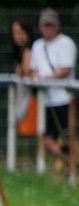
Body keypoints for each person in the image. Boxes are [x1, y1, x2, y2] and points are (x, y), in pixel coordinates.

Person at [29, 8, 77, 166]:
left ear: (57, 26)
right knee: (47, 139)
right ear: (40, 26)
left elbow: (66, 69)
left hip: (65, 99)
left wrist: (45, 79)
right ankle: (72, 164)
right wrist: (36, 77)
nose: (48, 28)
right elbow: (33, 69)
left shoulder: (66, 43)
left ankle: (72, 165)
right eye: (45, 25)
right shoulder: (37, 45)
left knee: (69, 137)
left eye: (51, 25)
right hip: (46, 100)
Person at [10, 18, 36, 129]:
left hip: (33, 93)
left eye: (21, 32)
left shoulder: (29, 49)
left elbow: (25, 71)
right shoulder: (18, 51)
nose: (19, 36)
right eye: (15, 33)